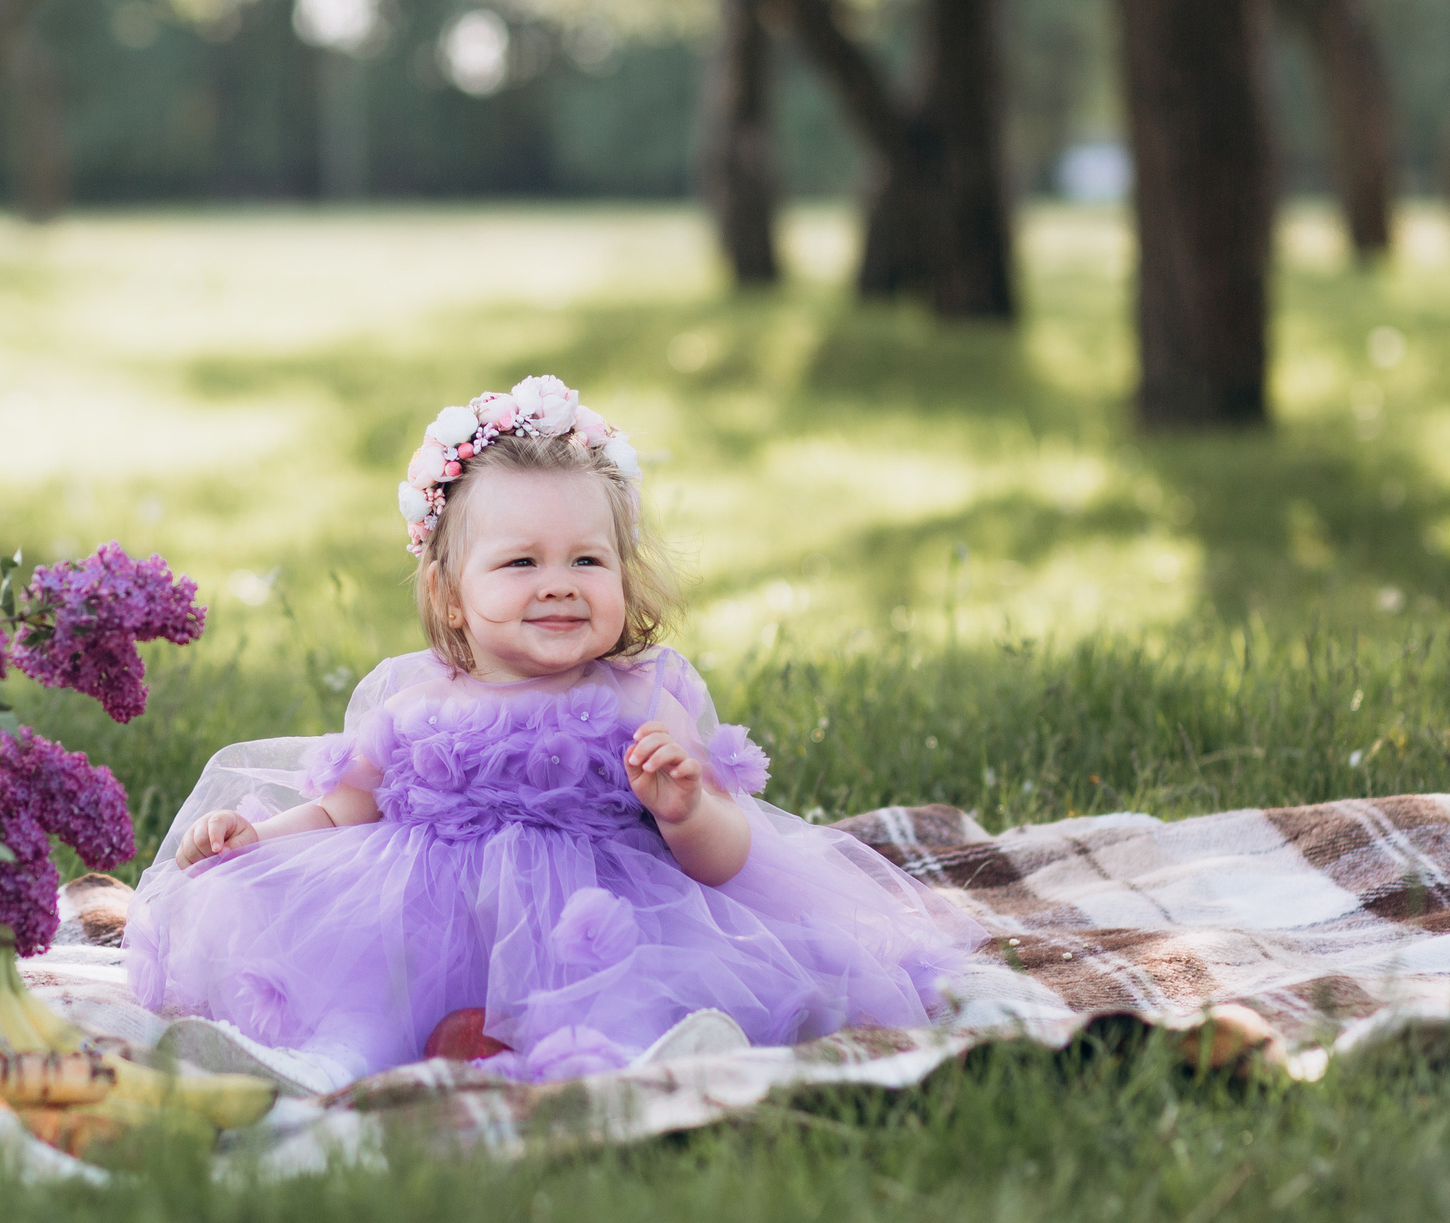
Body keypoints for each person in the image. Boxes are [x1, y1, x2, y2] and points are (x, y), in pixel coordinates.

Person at [123, 376, 981, 1084]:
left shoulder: (643, 699)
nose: (560, 582)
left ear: (624, 573)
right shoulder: (415, 703)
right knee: (372, 998)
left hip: (605, 926)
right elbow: (343, 812)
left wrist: (686, 808)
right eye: (522, 561)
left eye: (587, 559)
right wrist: (257, 838)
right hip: (423, 933)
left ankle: (652, 1058)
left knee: (628, 995)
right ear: (450, 593)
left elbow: (725, 858)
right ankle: (326, 1063)